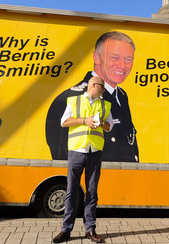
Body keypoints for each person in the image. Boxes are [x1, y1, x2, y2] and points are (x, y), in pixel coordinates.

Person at [46, 31, 139, 163]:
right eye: (114, 57)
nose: (122, 65)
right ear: (96, 57)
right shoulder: (70, 97)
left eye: (128, 59)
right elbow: (64, 156)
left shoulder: (121, 95)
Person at [52, 76, 113, 244]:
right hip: (77, 151)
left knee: (92, 192)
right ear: (94, 85)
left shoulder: (105, 104)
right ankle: (66, 230)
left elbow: (109, 126)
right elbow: (64, 122)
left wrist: (101, 123)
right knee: (71, 192)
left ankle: (90, 230)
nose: (103, 90)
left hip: (94, 152)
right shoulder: (74, 101)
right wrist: (84, 121)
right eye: (101, 87)